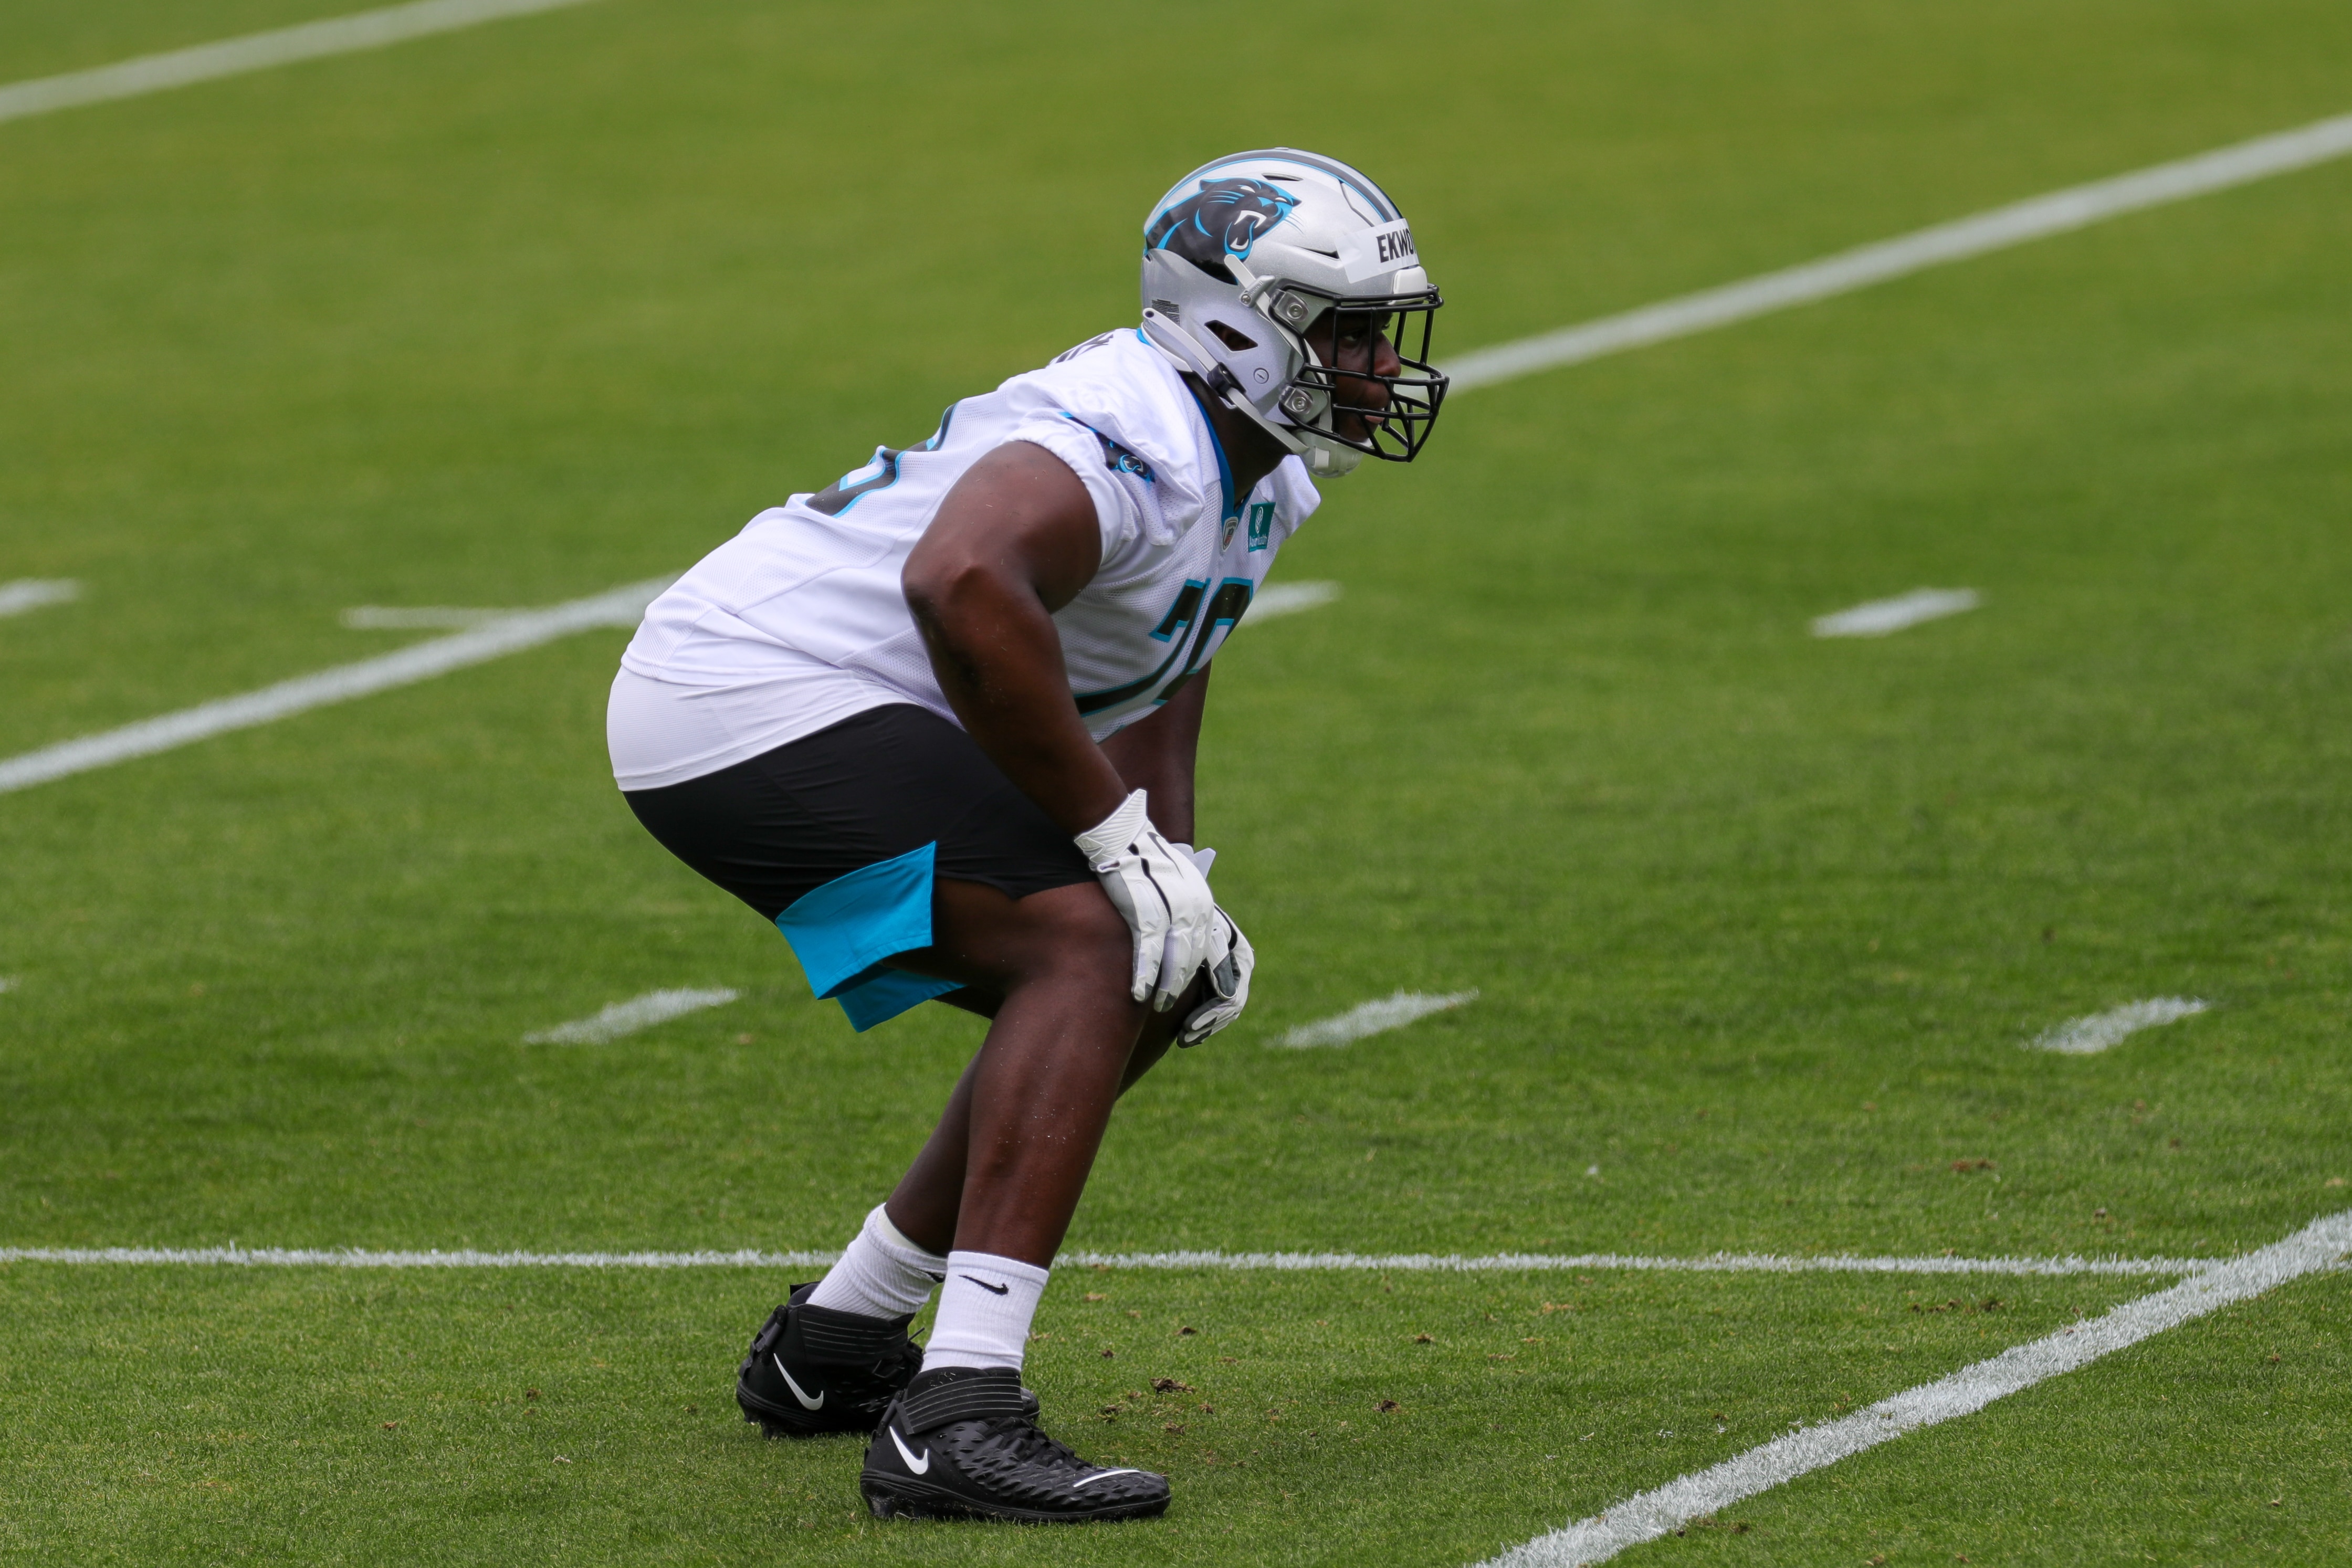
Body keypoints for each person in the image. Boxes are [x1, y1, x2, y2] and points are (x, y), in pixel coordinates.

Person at [606, 148, 1447, 1523]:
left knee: (1135, 958)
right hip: (743, 695)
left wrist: (1175, 873)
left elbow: (1163, 663)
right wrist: (1110, 852)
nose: (1370, 366)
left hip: (810, 705)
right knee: (1082, 946)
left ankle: (839, 1344)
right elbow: (960, 578)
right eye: (1343, 329)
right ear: (1231, 318)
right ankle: (956, 1413)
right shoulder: (1131, 428)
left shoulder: (1252, 463)